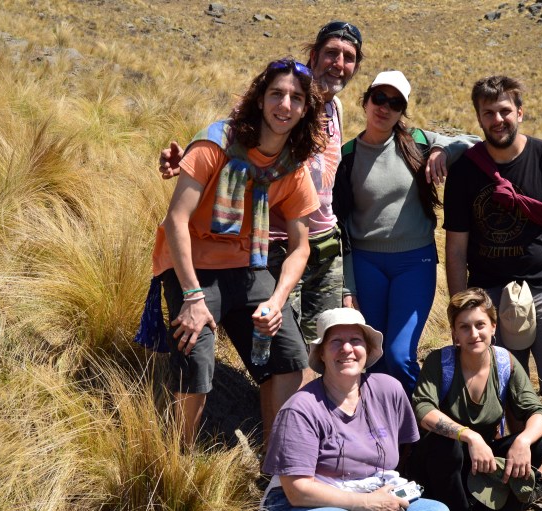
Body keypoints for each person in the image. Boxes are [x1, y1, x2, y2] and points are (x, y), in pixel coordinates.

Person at [160, 21, 365, 354]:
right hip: (275, 243)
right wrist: (189, 159)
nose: (338, 64)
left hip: (324, 242)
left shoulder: (336, 109)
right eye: (331, 53)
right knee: (280, 343)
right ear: (314, 55)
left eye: (348, 57)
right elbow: (232, 145)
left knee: (323, 343)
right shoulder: (278, 98)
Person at [150, 58, 326, 446]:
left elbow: (300, 247)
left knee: (290, 358)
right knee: (195, 353)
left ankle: (276, 463)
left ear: (305, 110)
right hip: (191, 266)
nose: (285, 105)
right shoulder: (215, 144)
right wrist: (192, 296)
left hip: (247, 266)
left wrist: (277, 302)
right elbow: (176, 220)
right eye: (276, 94)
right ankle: (177, 458)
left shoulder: (293, 167)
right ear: (260, 99)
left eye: (296, 98)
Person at [442, 75, 542, 511]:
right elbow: (456, 246)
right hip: (490, 292)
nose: (498, 119)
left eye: (505, 110)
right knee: (509, 386)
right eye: (488, 112)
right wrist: (460, 308)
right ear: (478, 118)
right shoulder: (466, 170)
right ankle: (523, 475)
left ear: (520, 112)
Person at [332, 70, 479, 394]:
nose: (385, 107)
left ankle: (426, 415)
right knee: (373, 358)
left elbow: (474, 143)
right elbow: (341, 227)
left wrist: (442, 150)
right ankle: (387, 423)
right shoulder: (347, 156)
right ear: (365, 101)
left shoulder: (418, 142)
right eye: (379, 98)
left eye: (395, 103)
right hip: (366, 264)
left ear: (402, 111)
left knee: (399, 356)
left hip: (415, 263)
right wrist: (348, 286)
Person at [261, 308, 449, 511]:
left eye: (355, 340)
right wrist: (366, 503)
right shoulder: (300, 409)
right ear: (321, 353)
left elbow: (405, 450)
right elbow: (297, 491)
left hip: (375, 488)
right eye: (336, 341)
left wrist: (380, 498)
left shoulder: (388, 390)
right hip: (311, 499)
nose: (347, 348)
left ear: (367, 349)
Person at [409, 289, 542, 511]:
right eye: (464, 327)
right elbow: (422, 409)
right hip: (440, 465)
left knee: (537, 444)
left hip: (484, 460)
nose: (473, 334)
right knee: (446, 445)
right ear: (455, 333)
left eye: (480, 325)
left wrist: (523, 441)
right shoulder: (440, 362)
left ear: (493, 326)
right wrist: (470, 437)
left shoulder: (504, 363)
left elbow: (538, 412)